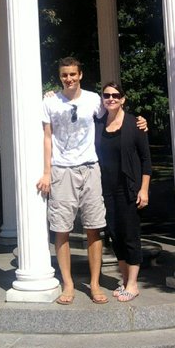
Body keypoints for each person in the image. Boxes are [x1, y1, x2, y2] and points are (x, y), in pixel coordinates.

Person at [36, 57, 147, 305]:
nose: (69, 79)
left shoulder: (94, 100)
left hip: (90, 169)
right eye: (64, 75)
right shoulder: (50, 102)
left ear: (80, 75)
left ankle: (95, 284)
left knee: (94, 228)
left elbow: (115, 113)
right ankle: (68, 285)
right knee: (61, 229)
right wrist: (46, 172)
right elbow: (47, 137)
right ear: (60, 76)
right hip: (61, 170)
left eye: (73, 74)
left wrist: (139, 121)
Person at [94, 82, 151, 302]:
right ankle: (125, 279)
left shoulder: (135, 124)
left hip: (128, 189)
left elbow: (146, 160)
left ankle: (133, 284)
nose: (111, 98)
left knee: (130, 235)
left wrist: (144, 190)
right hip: (106, 190)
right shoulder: (98, 124)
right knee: (115, 235)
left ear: (123, 99)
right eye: (107, 95)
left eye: (116, 95)